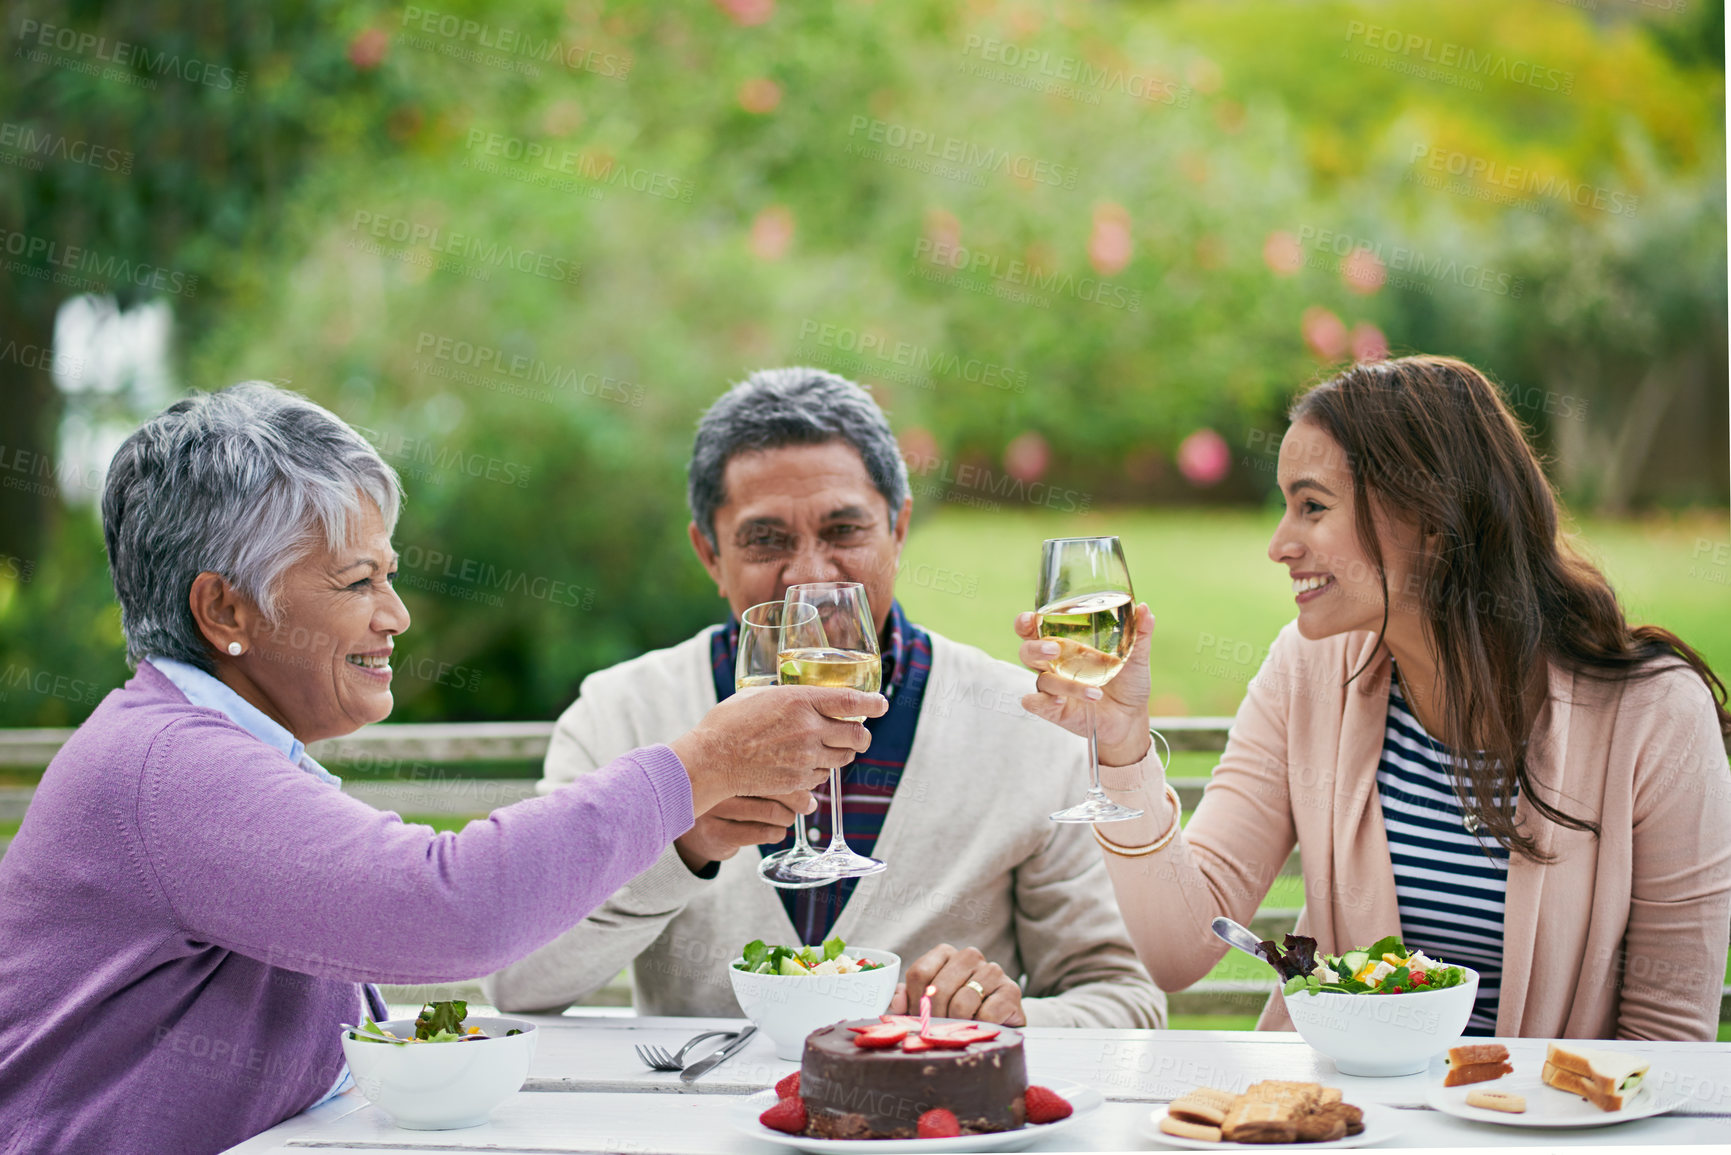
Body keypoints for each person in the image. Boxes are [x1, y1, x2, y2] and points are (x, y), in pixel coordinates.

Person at [0, 383, 885, 1155]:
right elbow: (447, 907)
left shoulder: (196, 743)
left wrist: (682, 818)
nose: (396, 615)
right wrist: (695, 765)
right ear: (224, 605)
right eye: (356, 582)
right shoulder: (169, 766)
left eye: (390, 574)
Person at [1016, 354, 1731, 1039]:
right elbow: (1180, 949)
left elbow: (1665, 1039)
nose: (1278, 543)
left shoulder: (1654, 717)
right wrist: (1123, 745)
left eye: (1311, 506)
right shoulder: (1306, 670)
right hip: (1342, 1121)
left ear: (1426, 516)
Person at [483, 368, 1163, 1028]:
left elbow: (1121, 1001)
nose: (809, 575)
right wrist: (678, 844)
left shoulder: (1025, 723)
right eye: (766, 539)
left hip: (927, 1127)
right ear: (709, 554)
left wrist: (1010, 1018)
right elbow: (517, 978)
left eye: (843, 531)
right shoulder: (618, 714)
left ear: (898, 529)